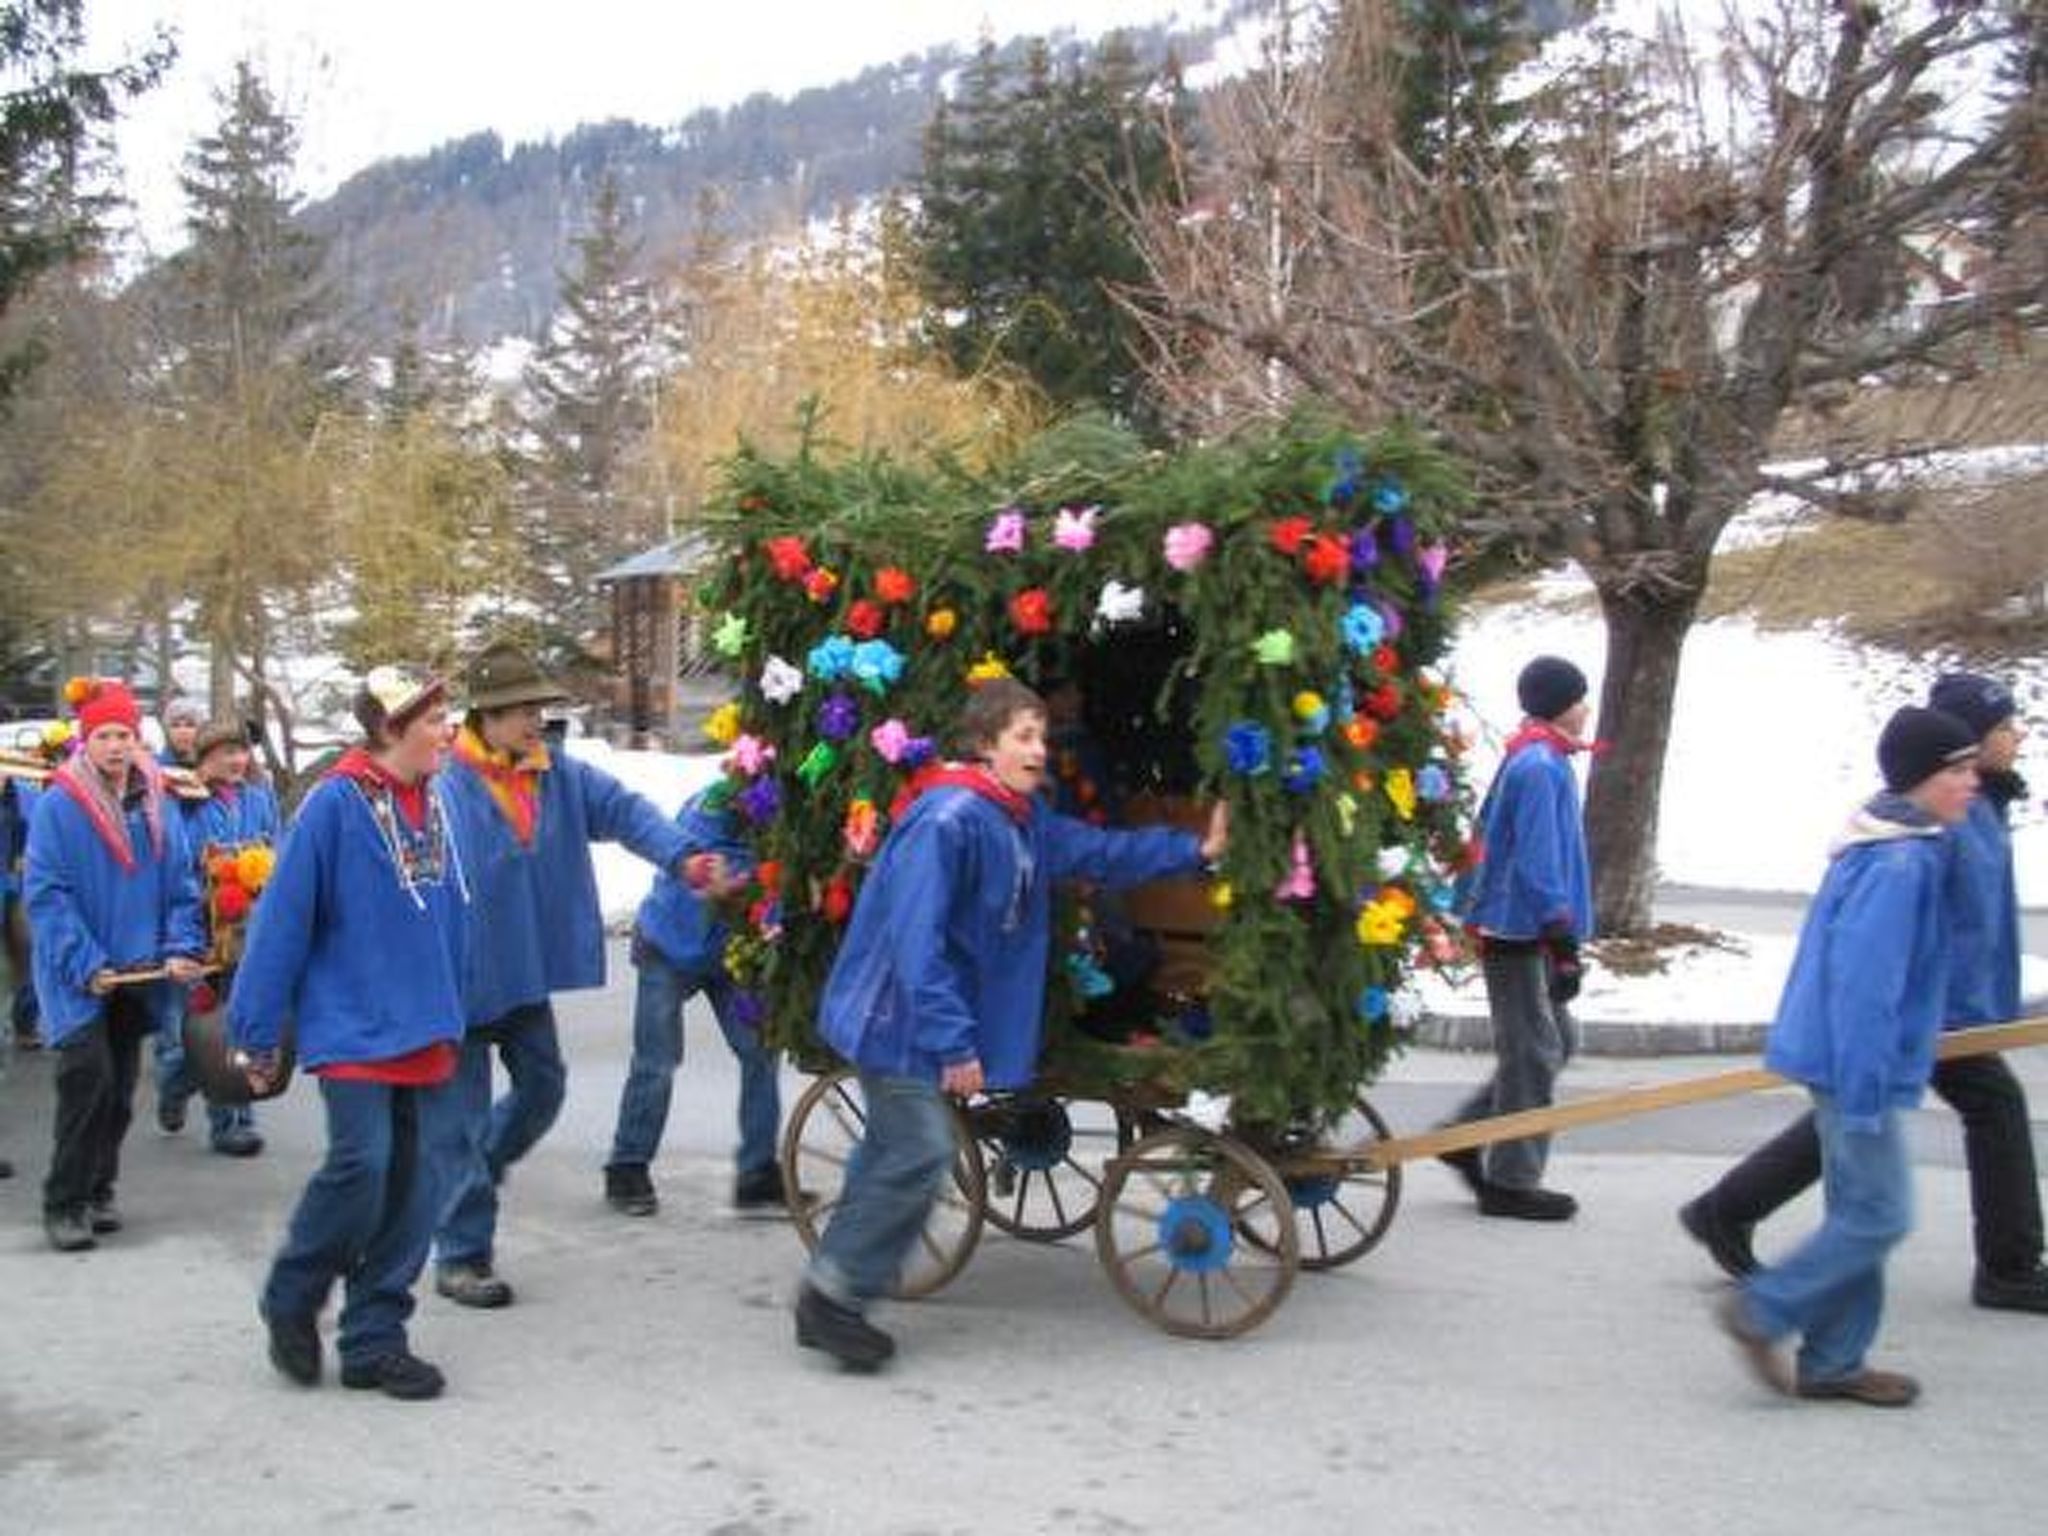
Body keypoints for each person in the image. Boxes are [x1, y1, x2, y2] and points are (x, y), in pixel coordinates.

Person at [793, 677, 1229, 1370]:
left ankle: (834, 1288)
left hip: (917, 1021)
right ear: (983, 744)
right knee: (922, 1150)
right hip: (894, 1019)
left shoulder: (1019, 819)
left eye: (1042, 737)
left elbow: (1101, 852)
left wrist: (1194, 851)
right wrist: (953, 1043)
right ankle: (833, 1299)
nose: (1039, 750)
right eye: (1023, 736)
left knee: (893, 1151)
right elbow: (915, 943)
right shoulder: (947, 822)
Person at [1683, 673, 2046, 1313]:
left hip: (1947, 1009)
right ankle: (2009, 1267)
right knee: (1972, 1111)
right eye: (2001, 728)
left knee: (1853, 1114)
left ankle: (1730, 1208)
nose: (2016, 736)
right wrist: (1945, 1017)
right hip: (1933, 1009)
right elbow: (1914, 936)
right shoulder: (1937, 828)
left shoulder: (1980, 803)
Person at [1714, 705, 1982, 1407]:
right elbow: (1864, 988)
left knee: (1858, 1211)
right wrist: (1867, 1087)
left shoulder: (1906, 845)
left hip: (1853, 1060)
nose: (1972, 781)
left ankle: (1834, 1360)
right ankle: (1763, 1309)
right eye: (1958, 770)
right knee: (1881, 1215)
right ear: (1922, 776)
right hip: (1856, 1064)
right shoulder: (1899, 863)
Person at [230, 667, 470, 1401]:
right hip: (354, 1023)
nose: (448, 732)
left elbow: (455, 914)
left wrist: (462, 1003)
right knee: (364, 1167)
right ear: (391, 729)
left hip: (427, 1023)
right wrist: (256, 1030)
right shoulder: (333, 806)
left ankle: (373, 1339)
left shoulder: (438, 801)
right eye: (433, 721)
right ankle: (293, 1294)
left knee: (420, 1184)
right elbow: (282, 919)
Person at [431, 640, 693, 1308]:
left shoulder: (559, 774)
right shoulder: (441, 784)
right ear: (485, 718)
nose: (534, 720)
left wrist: (683, 857)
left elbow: (628, 812)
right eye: (521, 710)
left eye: (537, 707)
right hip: (455, 982)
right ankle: (462, 1255)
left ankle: (474, 1172)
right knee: (461, 1123)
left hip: (522, 974)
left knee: (544, 1090)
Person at [24, 679, 208, 1252]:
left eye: (123, 735)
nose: (114, 746)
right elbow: (47, 893)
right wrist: (85, 961)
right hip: (78, 974)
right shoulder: (59, 803)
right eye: (103, 735)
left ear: (136, 738)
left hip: (138, 971)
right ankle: (64, 1203)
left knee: (121, 1092)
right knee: (87, 1084)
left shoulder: (157, 801)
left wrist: (180, 945)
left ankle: (100, 1189)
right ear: (86, 740)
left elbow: (181, 885)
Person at [1437, 655, 1593, 1221]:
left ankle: (1466, 1135)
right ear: (1559, 704)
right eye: (1579, 698)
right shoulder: (1539, 766)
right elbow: (1537, 860)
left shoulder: (1542, 755)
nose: (1586, 708)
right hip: (1520, 926)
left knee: (1557, 1041)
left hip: (1532, 924)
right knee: (1533, 1051)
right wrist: (1561, 938)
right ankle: (1511, 1182)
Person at [155, 719, 282, 1157]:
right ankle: (178, 1085)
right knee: (206, 1030)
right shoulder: (186, 803)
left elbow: (277, 853)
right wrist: (184, 941)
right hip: (203, 932)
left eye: (241, 751)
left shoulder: (259, 799)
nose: (236, 760)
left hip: (250, 931)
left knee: (242, 1024)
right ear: (204, 758)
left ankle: (235, 1121)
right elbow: (179, 872)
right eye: (225, 752)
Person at [160, 697, 204, 770]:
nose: (182, 731)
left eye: (190, 725)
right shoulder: (154, 767)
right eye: (175, 725)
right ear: (167, 732)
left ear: (199, 730)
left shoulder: (209, 766)